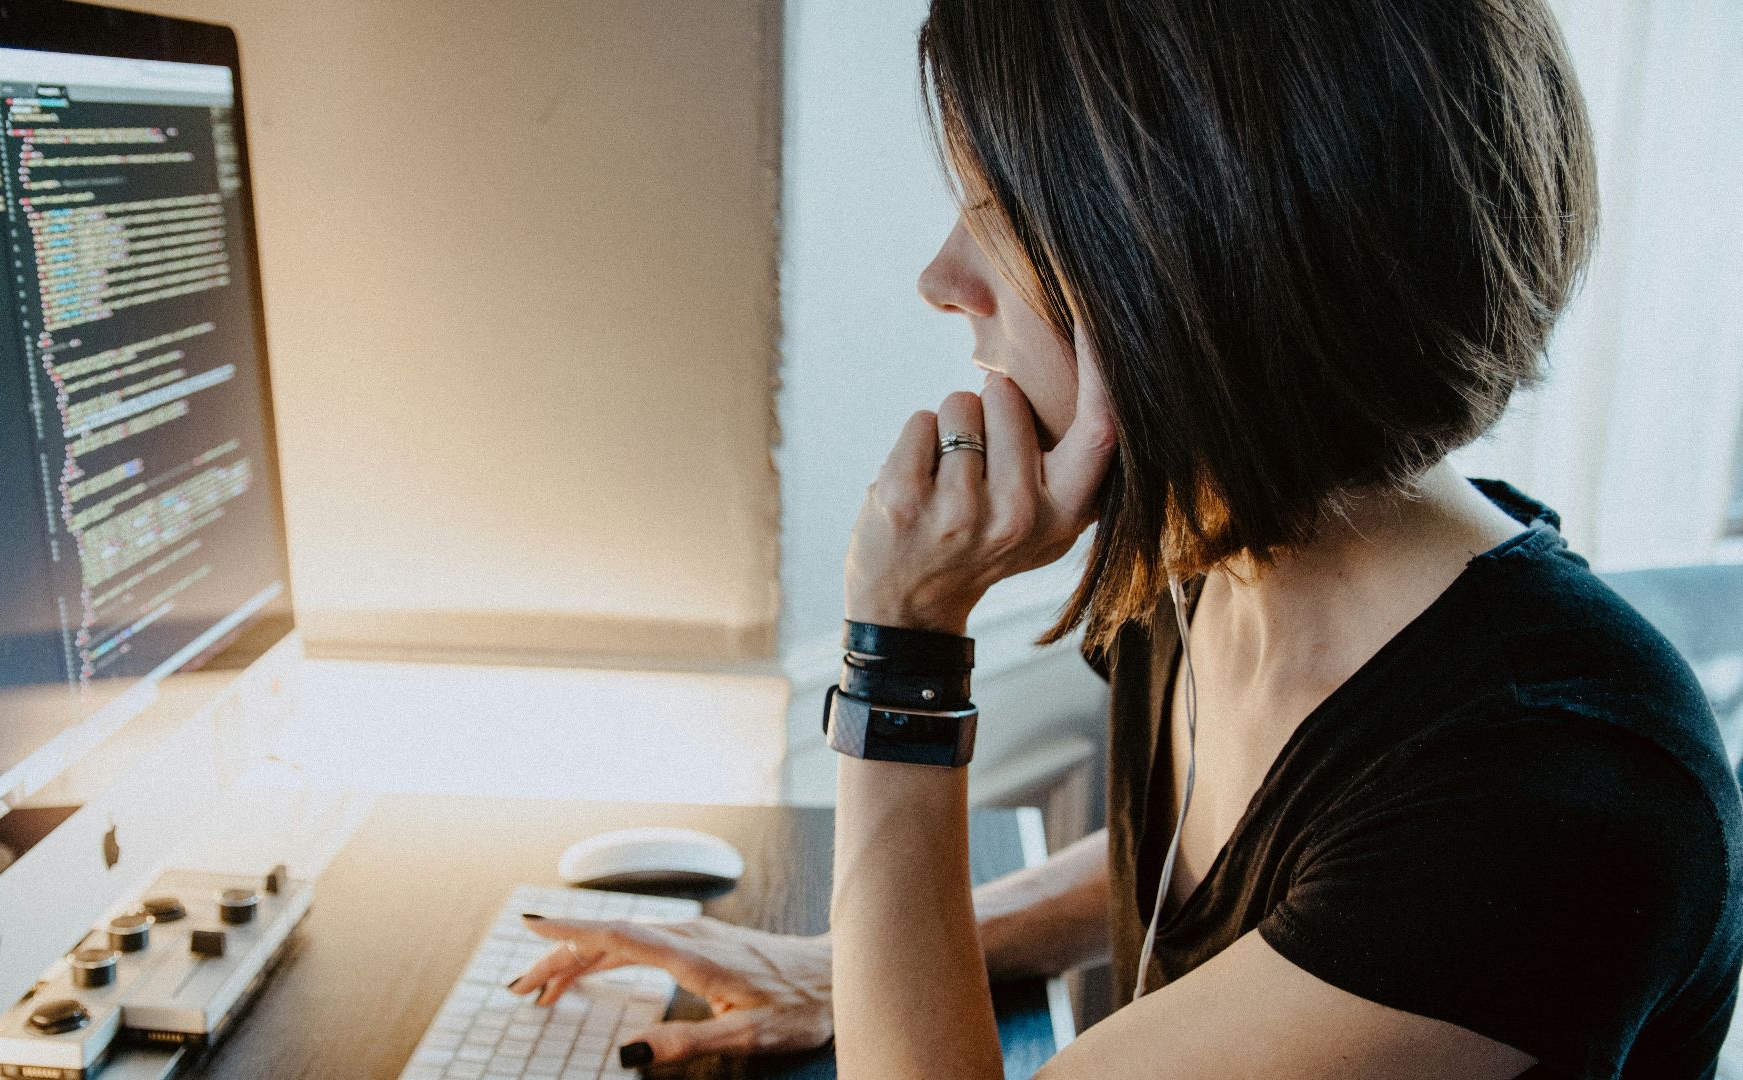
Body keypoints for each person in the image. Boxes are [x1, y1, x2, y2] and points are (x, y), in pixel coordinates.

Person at [510, 0, 1743, 1075]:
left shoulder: (1547, 795)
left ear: (1204, 259)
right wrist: (841, 968)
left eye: (1000, 214)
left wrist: (901, 651)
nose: (944, 277)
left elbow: (1406, 875)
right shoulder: (1217, 558)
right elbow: (1297, 884)